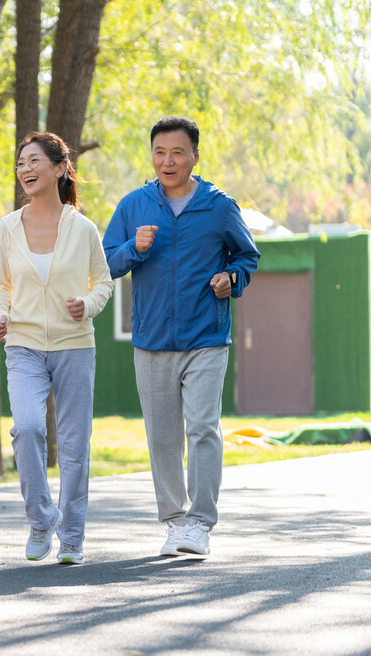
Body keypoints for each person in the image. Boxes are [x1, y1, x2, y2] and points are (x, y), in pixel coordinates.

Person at [102, 115, 259, 557]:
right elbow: (107, 263)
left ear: (194, 156)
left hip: (206, 334)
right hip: (151, 339)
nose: (167, 161)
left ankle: (201, 524)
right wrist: (135, 247)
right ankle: (174, 522)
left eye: (177, 152)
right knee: (162, 435)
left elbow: (247, 256)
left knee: (204, 428)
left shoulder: (219, 205)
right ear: (151, 155)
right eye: (159, 152)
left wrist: (232, 277)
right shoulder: (134, 205)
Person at [0, 132, 113, 565]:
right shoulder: (8, 227)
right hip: (22, 343)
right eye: (21, 162)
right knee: (26, 428)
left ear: (60, 168)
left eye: (34, 160)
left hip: (74, 344)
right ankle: (42, 519)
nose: (25, 168)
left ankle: (73, 538)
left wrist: (89, 306)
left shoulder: (83, 228)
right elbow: (0, 283)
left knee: (76, 444)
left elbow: (104, 282)